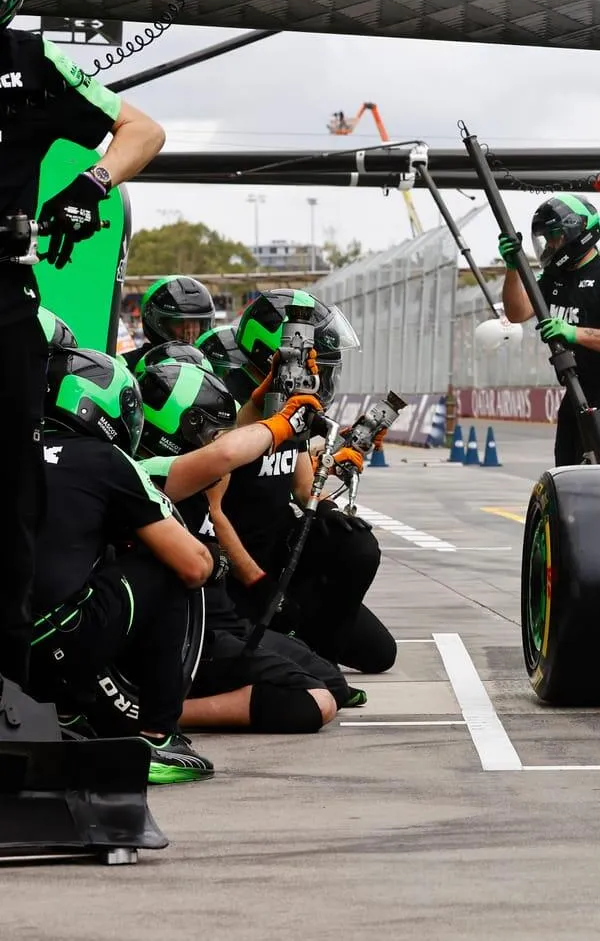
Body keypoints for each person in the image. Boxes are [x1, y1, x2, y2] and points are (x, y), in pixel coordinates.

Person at [0, 0, 167, 688]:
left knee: (12, 492)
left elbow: (142, 130)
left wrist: (91, 183)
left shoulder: (32, 62)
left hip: (3, 298)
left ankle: (9, 678)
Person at [29, 346, 217, 783]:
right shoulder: (109, 462)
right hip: (51, 640)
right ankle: (157, 737)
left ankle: (70, 711)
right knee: (170, 570)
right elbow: (195, 565)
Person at [135, 359, 347, 733]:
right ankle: (154, 710)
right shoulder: (148, 474)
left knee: (333, 682)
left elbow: (230, 440)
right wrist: (282, 424)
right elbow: (225, 453)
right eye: (215, 430)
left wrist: (260, 399)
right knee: (314, 703)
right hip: (190, 636)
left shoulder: (184, 468)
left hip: (223, 622)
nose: (225, 436)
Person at [220, 289, 396, 675]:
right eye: (318, 365)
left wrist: (333, 497)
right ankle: (312, 658)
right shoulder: (224, 400)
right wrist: (257, 580)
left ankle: (315, 649)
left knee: (380, 648)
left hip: (278, 552)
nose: (321, 376)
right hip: (235, 567)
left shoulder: (293, 401)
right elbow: (210, 508)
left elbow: (302, 486)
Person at [500, 193, 600, 466]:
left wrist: (574, 332)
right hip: (576, 388)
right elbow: (517, 313)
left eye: (554, 236)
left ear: (576, 232)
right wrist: (512, 269)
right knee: (565, 470)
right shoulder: (552, 278)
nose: (550, 244)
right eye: (546, 238)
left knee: (594, 472)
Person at [122, 274, 220, 369]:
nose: (189, 330)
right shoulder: (124, 365)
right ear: (155, 323)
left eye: (195, 322)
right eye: (179, 322)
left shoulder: (216, 362)